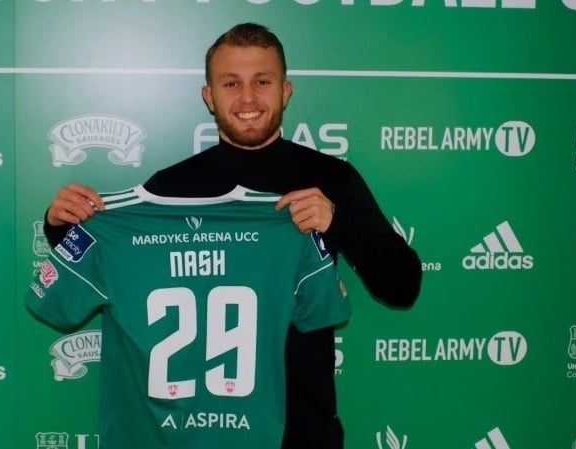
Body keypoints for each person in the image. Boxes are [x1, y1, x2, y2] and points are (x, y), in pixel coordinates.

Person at [43, 22, 422, 449]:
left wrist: (338, 223)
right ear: (209, 97)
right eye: (231, 83)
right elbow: (110, 265)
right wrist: (61, 227)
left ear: (285, 91)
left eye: (262, 82)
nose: (247, 98)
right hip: (191, 434)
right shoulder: (168, 190)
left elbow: (403, 285)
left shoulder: (332, 179)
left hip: (302, 432)